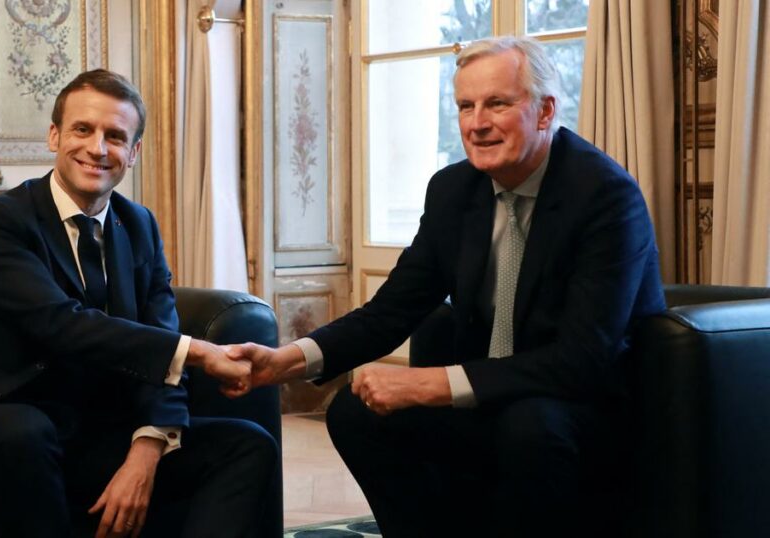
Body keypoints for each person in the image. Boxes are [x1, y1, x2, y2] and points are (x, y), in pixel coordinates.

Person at [228, 36, 665, 537]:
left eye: (497, 103)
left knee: (528, 428)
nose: (476, 124)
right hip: (491, 399)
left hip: (582, 406)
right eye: (465, 106)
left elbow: (582, 359)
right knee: (355, 413)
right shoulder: (454, 190)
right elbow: (392, 309)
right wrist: (287, 361)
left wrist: (431, 384)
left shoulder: (605, 197)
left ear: (545, 111)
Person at [0, 69, 276, 538]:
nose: (97, 148)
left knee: (248, 444)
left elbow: (161, 341)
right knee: (23, 431)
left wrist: (148, 447)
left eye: (115, 136)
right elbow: (59, 324)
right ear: (55, 136)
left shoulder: (139, 225)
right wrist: (200, 352)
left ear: (133, 152)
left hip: (94, 433)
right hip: (0, 420)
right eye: (83, 130)